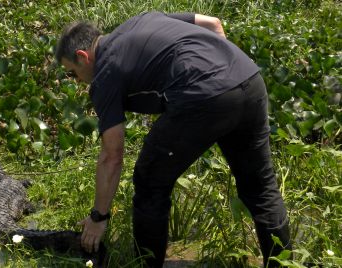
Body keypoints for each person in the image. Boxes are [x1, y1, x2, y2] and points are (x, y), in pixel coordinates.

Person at [55, 11, 291, 268]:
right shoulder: (143, 18)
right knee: (261, 190)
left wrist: (99, 217)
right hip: (248, 76)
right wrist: (225, 75)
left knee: (149, 181)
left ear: (83, 56)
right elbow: (213, 23)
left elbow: (112, 156)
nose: (77, 81)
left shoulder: (104, 75)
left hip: (204, 95)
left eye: (72, 73)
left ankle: (148, 265)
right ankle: (283, 265)